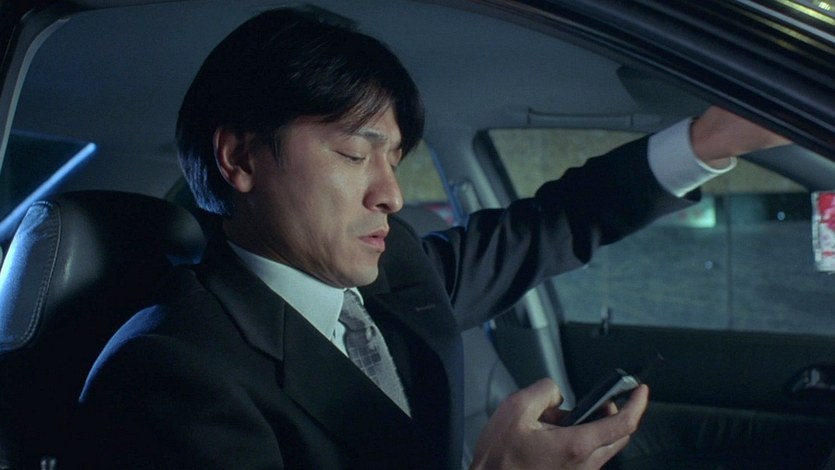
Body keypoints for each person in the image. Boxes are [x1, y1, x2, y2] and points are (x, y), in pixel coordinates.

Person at [74, 9, 788, 469]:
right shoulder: (168, 372)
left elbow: (548, 227)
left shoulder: (396, 270)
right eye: (353, 153)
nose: (389, 194)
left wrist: (707, 143)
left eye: (394, 160)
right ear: (239, 159)